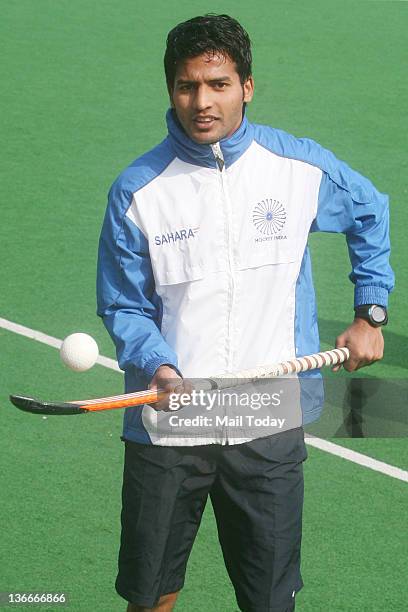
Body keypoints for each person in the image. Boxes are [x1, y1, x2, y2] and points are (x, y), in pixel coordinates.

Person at [96, 14, 394, 612]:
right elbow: (124, 305)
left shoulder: (298, 168)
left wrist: (371, 312)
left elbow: (370, 209)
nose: (201, 102)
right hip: (172, 418)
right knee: (152, 595)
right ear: (171, 90)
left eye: (218, 84)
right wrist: (157, 365)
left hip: (267, 414)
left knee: (269, 599)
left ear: (247, 86)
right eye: (187, 86)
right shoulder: (138, 190)